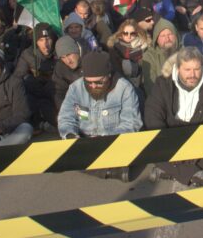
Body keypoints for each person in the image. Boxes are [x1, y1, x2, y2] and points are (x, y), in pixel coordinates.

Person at [144, 47, 203, 187]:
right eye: (187, 70)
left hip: (201, 140)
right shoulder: (162, 83)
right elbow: (152, 114)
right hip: (170, 138)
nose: (192, 74)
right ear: (178, 69)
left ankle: (170, 169)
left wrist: (193, 149)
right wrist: (170, 144)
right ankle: (196, 174)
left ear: (202, 67)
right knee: (147, 141)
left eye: (197, 69)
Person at [58, 51, 142, 181]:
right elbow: (66, 117)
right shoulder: (75, 88)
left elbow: (131, 123)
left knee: (132, 147)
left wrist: (103, 140)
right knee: (63, 154)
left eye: (98, 82)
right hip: (84, 142)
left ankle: (103, 167)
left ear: (108, 75)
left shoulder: (124, 88)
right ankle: (111, 171)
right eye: (88, 82)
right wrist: (71, 136)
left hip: (113, 142)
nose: (93, 86)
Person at [14, 23, 58, 130]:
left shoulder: (59, 52)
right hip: (36, 92)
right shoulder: (28, 54)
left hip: (55, 91)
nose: (45, 44)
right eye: (41, 40)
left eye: (48, 39)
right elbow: (18, 77)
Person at [107, 19, 150, 97]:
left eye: (132, 33)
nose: (129, 36)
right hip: (122, 86)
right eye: (125, 33)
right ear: (121, 33)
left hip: (142, 83)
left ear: (137, 33)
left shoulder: (144, 46)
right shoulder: (115, 47)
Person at [143, 18, 180, 96]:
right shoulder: (149, 56)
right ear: (156, 39)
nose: (167, 39)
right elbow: (150, 85)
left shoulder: (186, 53)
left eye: (170, 34)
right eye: (163, 36)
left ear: (175, 35)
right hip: (161, 100)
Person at [53, 36, 84, 110]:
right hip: (76, 107)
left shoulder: (92, 60)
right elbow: (59, 92)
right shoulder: (60, 67)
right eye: (63, 57)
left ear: (77, 50)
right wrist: (65, 111)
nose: (68, 61)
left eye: (69, 55)